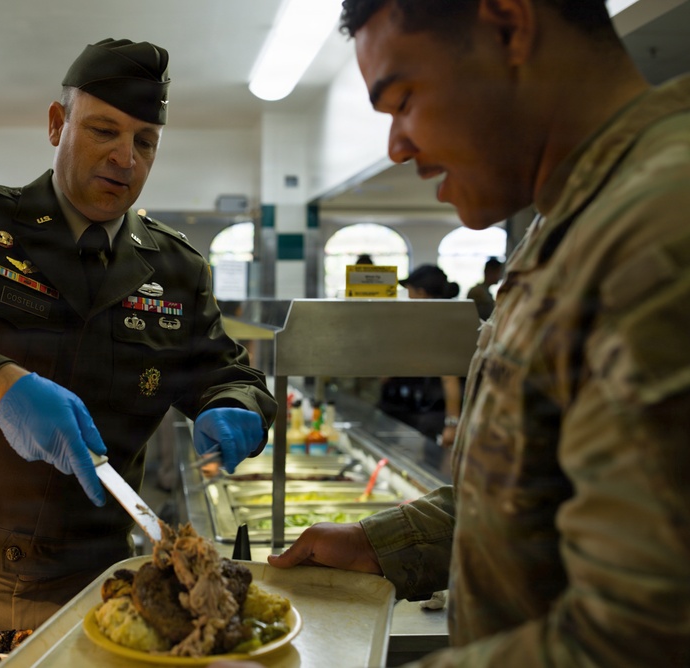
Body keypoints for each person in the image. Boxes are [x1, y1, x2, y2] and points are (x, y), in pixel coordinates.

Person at [265, 1, 690, 666]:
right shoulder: (565, 224)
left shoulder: (661, 231)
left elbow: (639, 638)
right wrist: (385, 544)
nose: (396, 146)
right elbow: (536, 497)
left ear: (507, 24)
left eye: (403, 100)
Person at [0, 38, 277, 633]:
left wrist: (237, 404)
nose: (125, 159)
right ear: (58, 124)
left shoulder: (177, 270)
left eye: (144, 142)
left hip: (95, 581)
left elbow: (230, 372)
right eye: (104, 131)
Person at [378, 264, 462, 462]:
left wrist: (452, 423)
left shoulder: (439, 325)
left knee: (426, 468)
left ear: (422, 293)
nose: (409, 298)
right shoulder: (433, 321)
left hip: (430, 415)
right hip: (419, 413)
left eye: (410, 292)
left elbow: (449, 378)